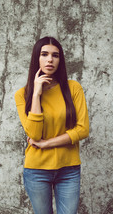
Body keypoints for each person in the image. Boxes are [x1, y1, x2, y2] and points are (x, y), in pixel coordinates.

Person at [15, 36, 89, 214]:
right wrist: (36, 95)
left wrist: (46, 144)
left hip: (69, 169)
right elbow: (34, 134)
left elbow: (83, 129)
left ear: (60, 60)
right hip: (37, 171)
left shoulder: (73, 88)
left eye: (55, 55)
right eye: (44, 54)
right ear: (36, 58)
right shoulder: (22, 95)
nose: (50, 59)